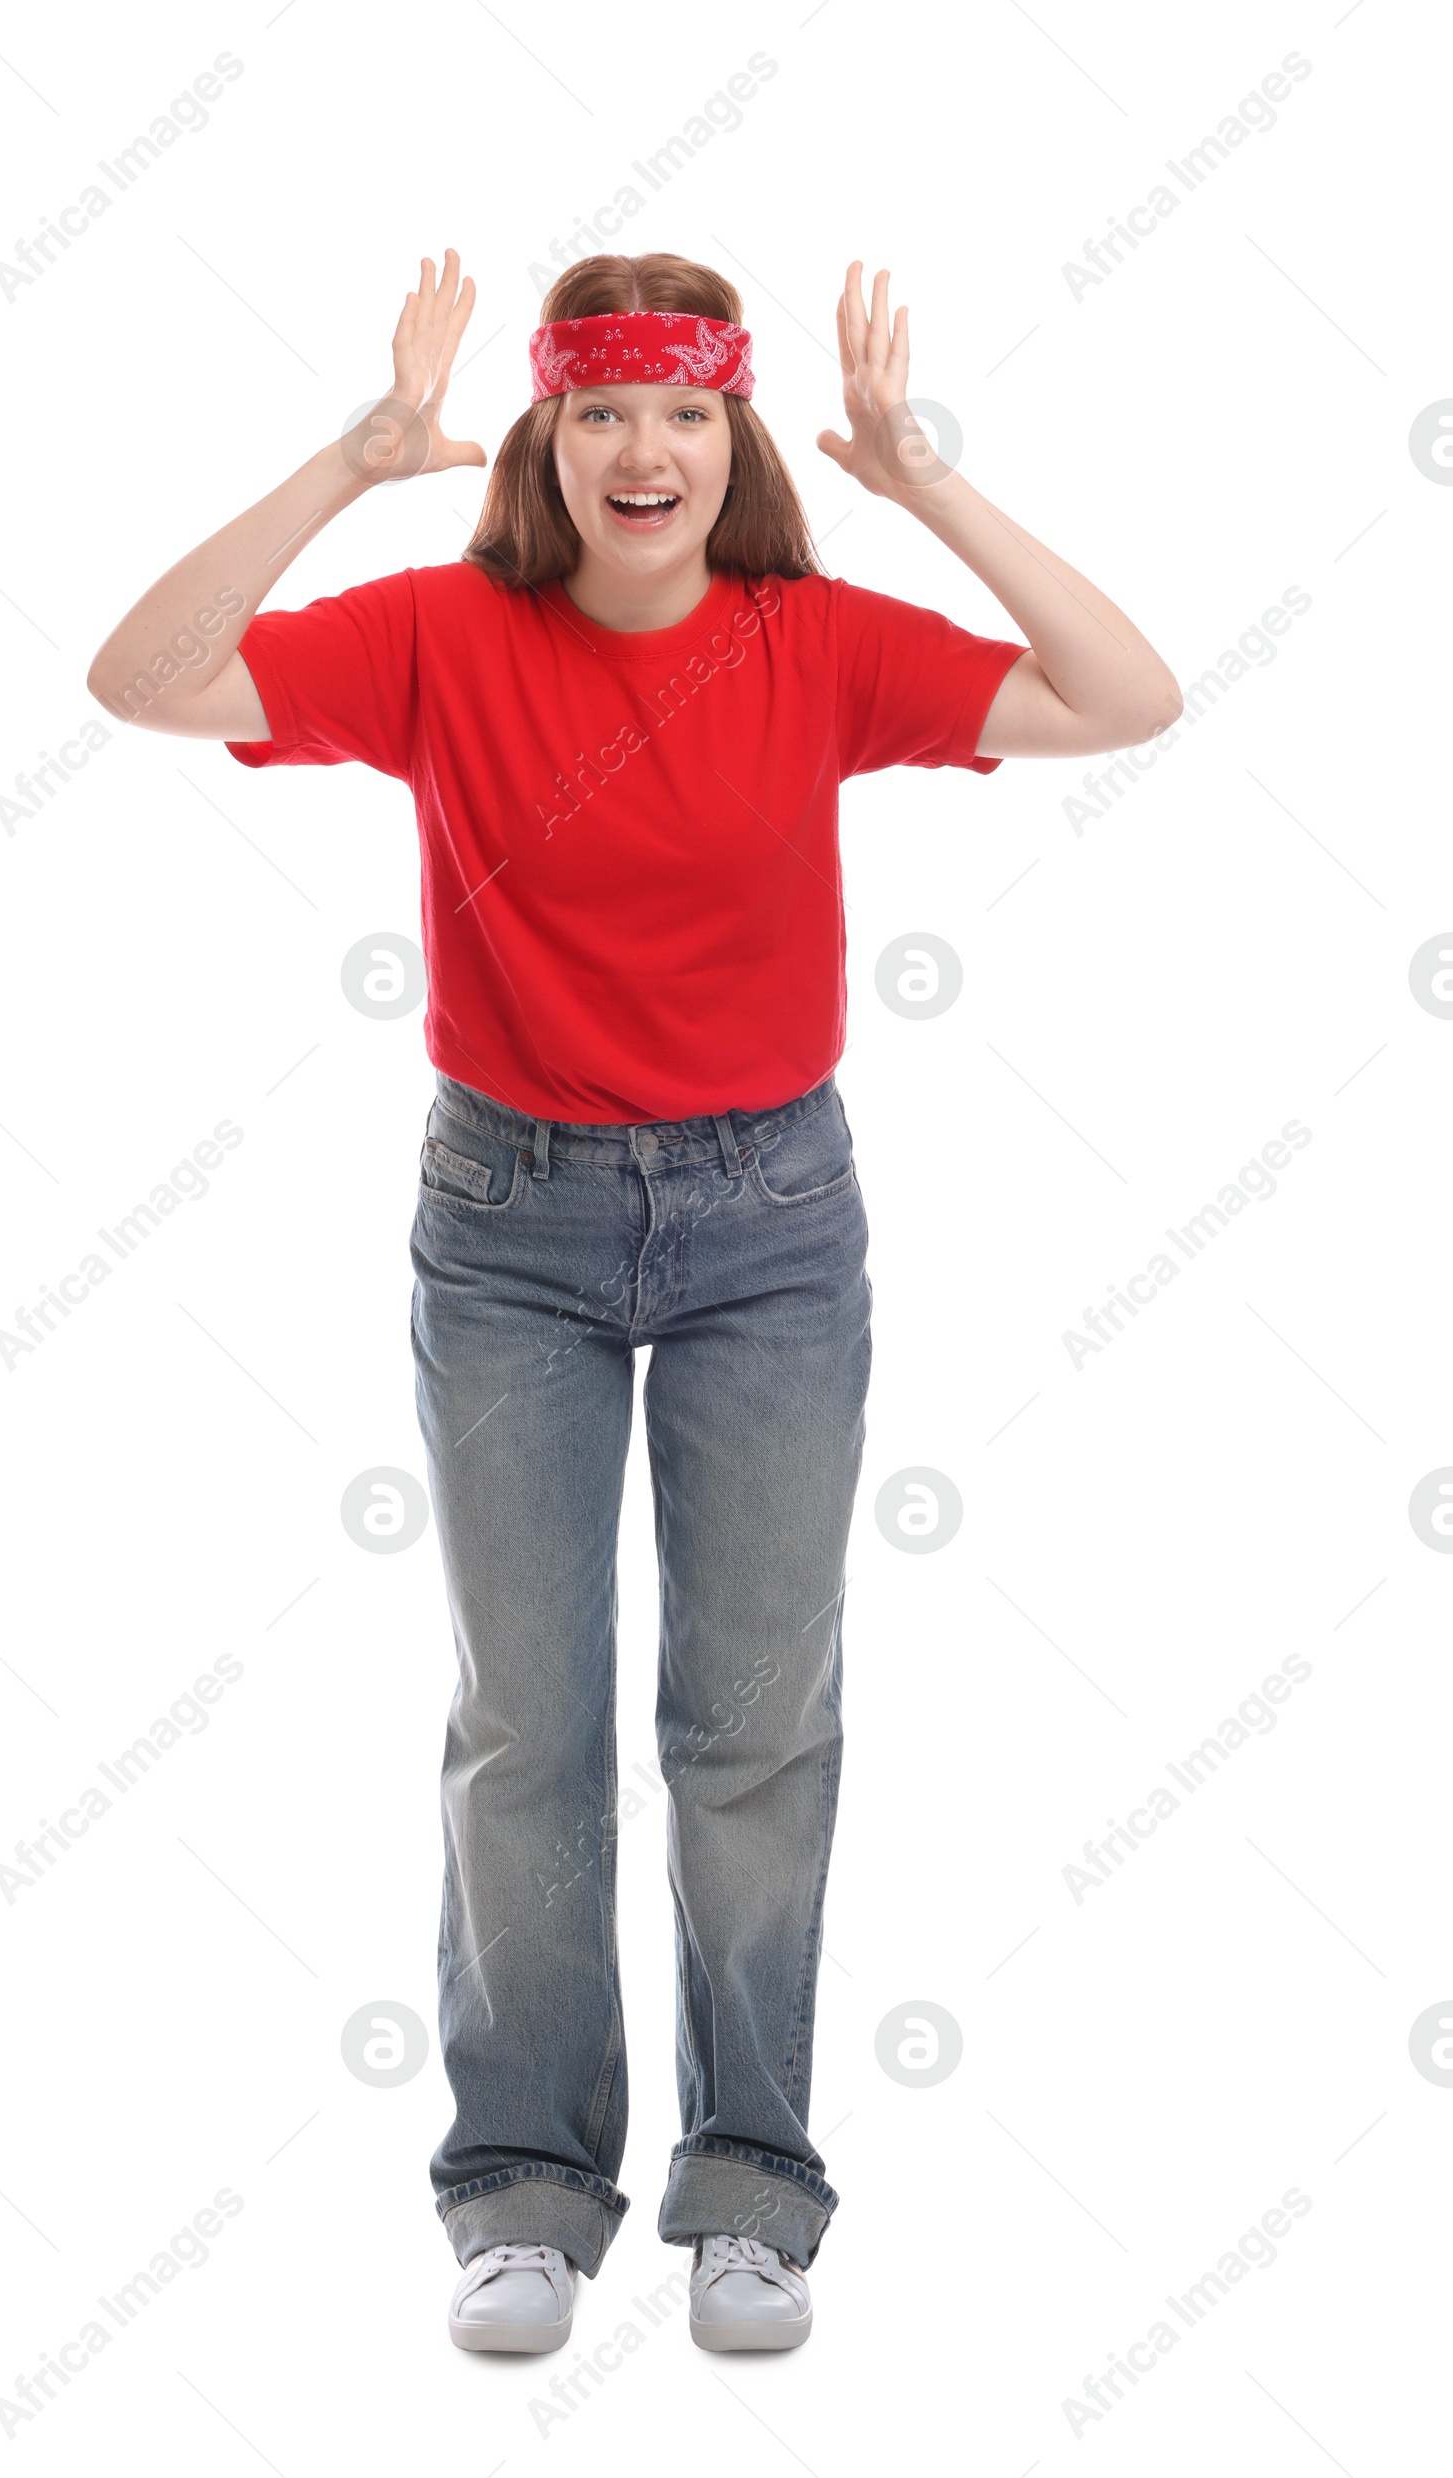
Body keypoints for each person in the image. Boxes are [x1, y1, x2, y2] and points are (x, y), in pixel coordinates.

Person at [87, 248, 1181, 2356]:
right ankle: (520, 2184)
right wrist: (352, 458)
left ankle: (749, 2185)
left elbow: (1125, 696)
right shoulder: (437, 637)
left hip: (770, 1217)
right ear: (545, 438)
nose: (642, 448)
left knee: (751, 1718)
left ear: (733, 436)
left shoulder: (815, 644)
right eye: (599, 409)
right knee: (527, 1722)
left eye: (682, 409)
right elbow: (146, 676)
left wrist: (927, 490)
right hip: (509, 1221)